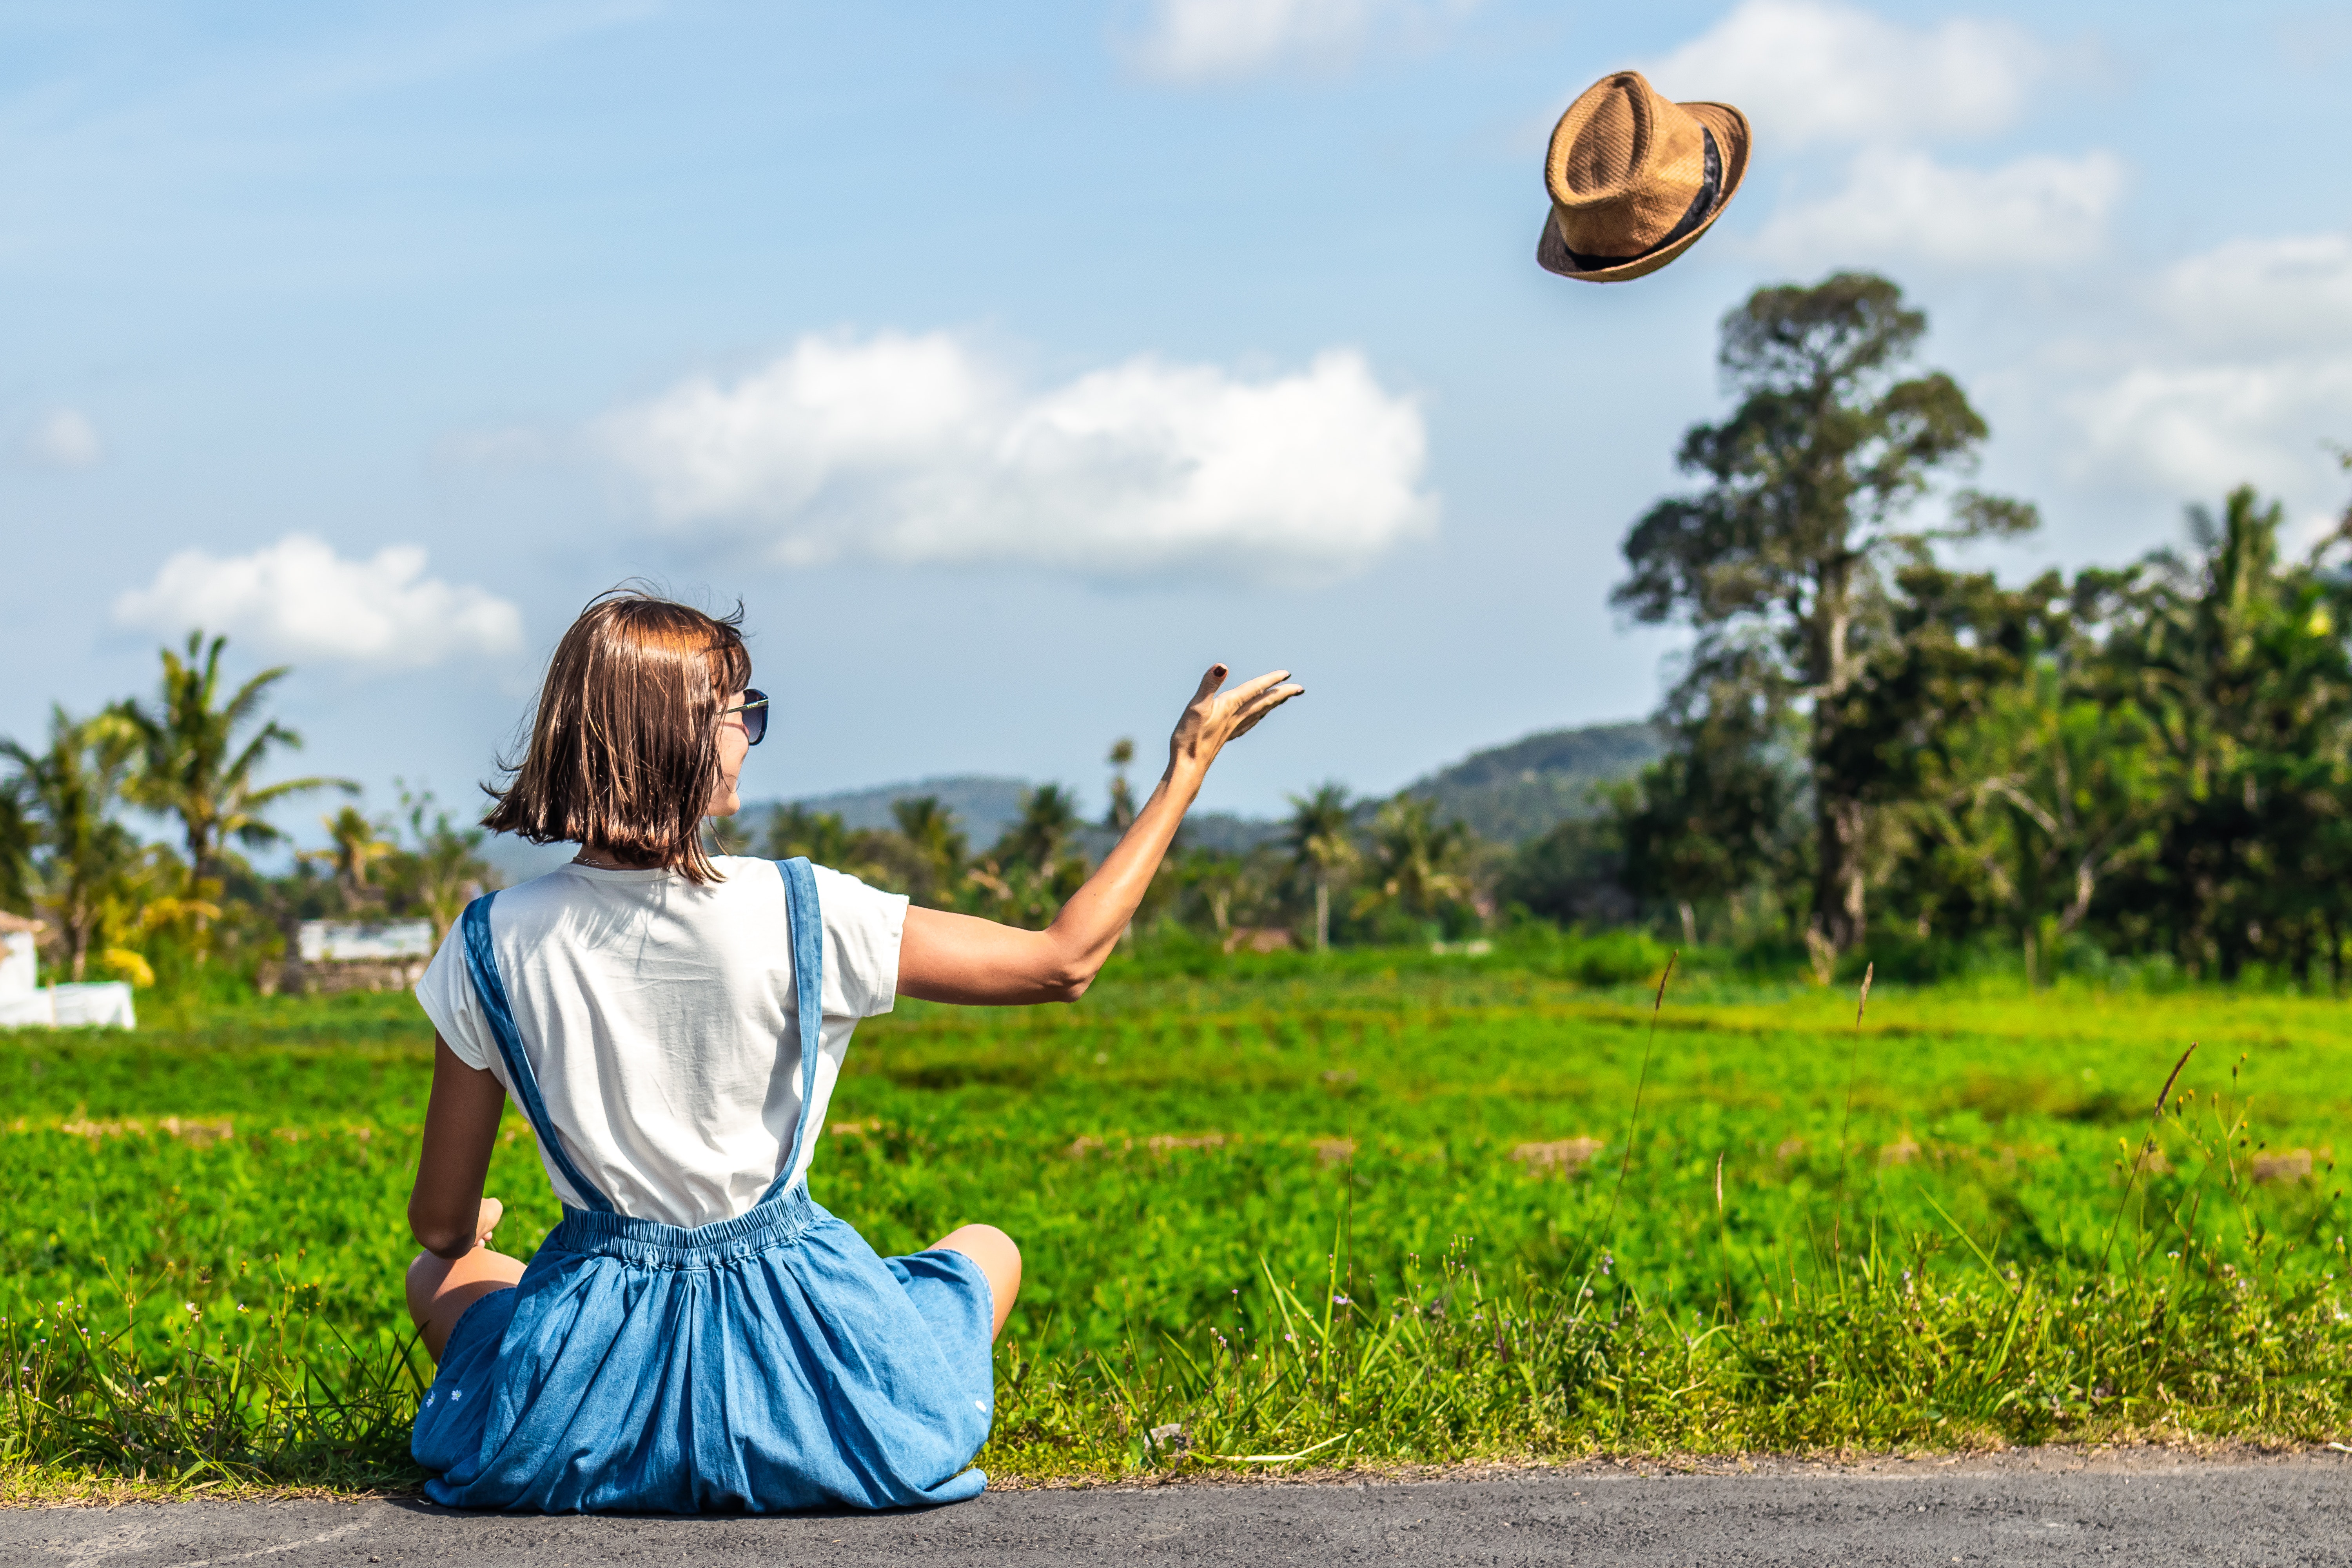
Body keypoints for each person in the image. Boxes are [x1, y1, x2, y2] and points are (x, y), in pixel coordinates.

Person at [401, 590, 1301, 1513]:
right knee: (986, 1247)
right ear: (676, 734)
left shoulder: (488, 940)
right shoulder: (807, 908)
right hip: (809, 1378)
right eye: (737, 713)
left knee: (449, 1271)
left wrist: (472, 1236)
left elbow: (438, 1224)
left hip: (584, 1417)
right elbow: (1062, 961)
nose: (748, 735)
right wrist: (1185, 771)